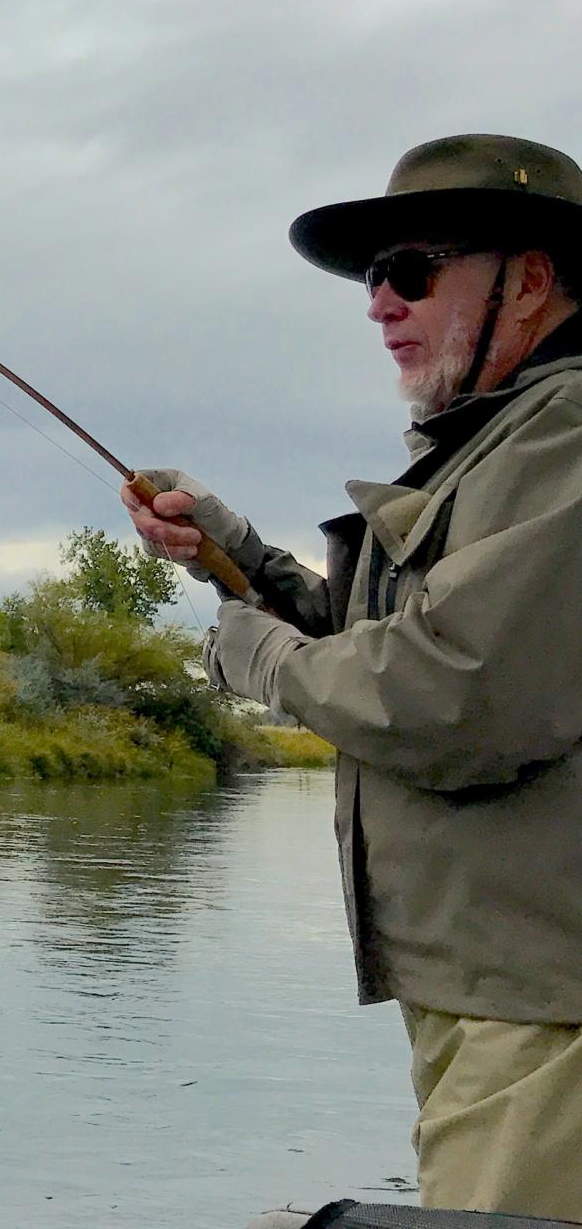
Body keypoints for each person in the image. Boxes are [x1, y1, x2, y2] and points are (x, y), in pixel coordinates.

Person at [122, 133, 582, 1221]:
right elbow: (404, 633)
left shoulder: (563, 438)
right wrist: (239, 555)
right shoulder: (500, 440)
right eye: (373, 276)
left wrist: (252, 652)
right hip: (493, 993)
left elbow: (453, 697)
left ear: (527, 278)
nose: (378, 301)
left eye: (410, 268)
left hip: (543, 1005)